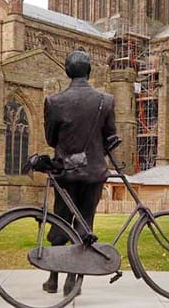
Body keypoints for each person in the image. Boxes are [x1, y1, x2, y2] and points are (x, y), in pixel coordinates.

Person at [42, 50, 117, 295]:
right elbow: (110, 136)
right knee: (85, 222)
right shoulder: (106, 101)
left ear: (67, 71)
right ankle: (73, 281)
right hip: (94, 172)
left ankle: (53, 279)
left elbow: (51, 139)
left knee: (61, 220)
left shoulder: (54, 102)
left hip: (66, 173)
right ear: (89, 71)